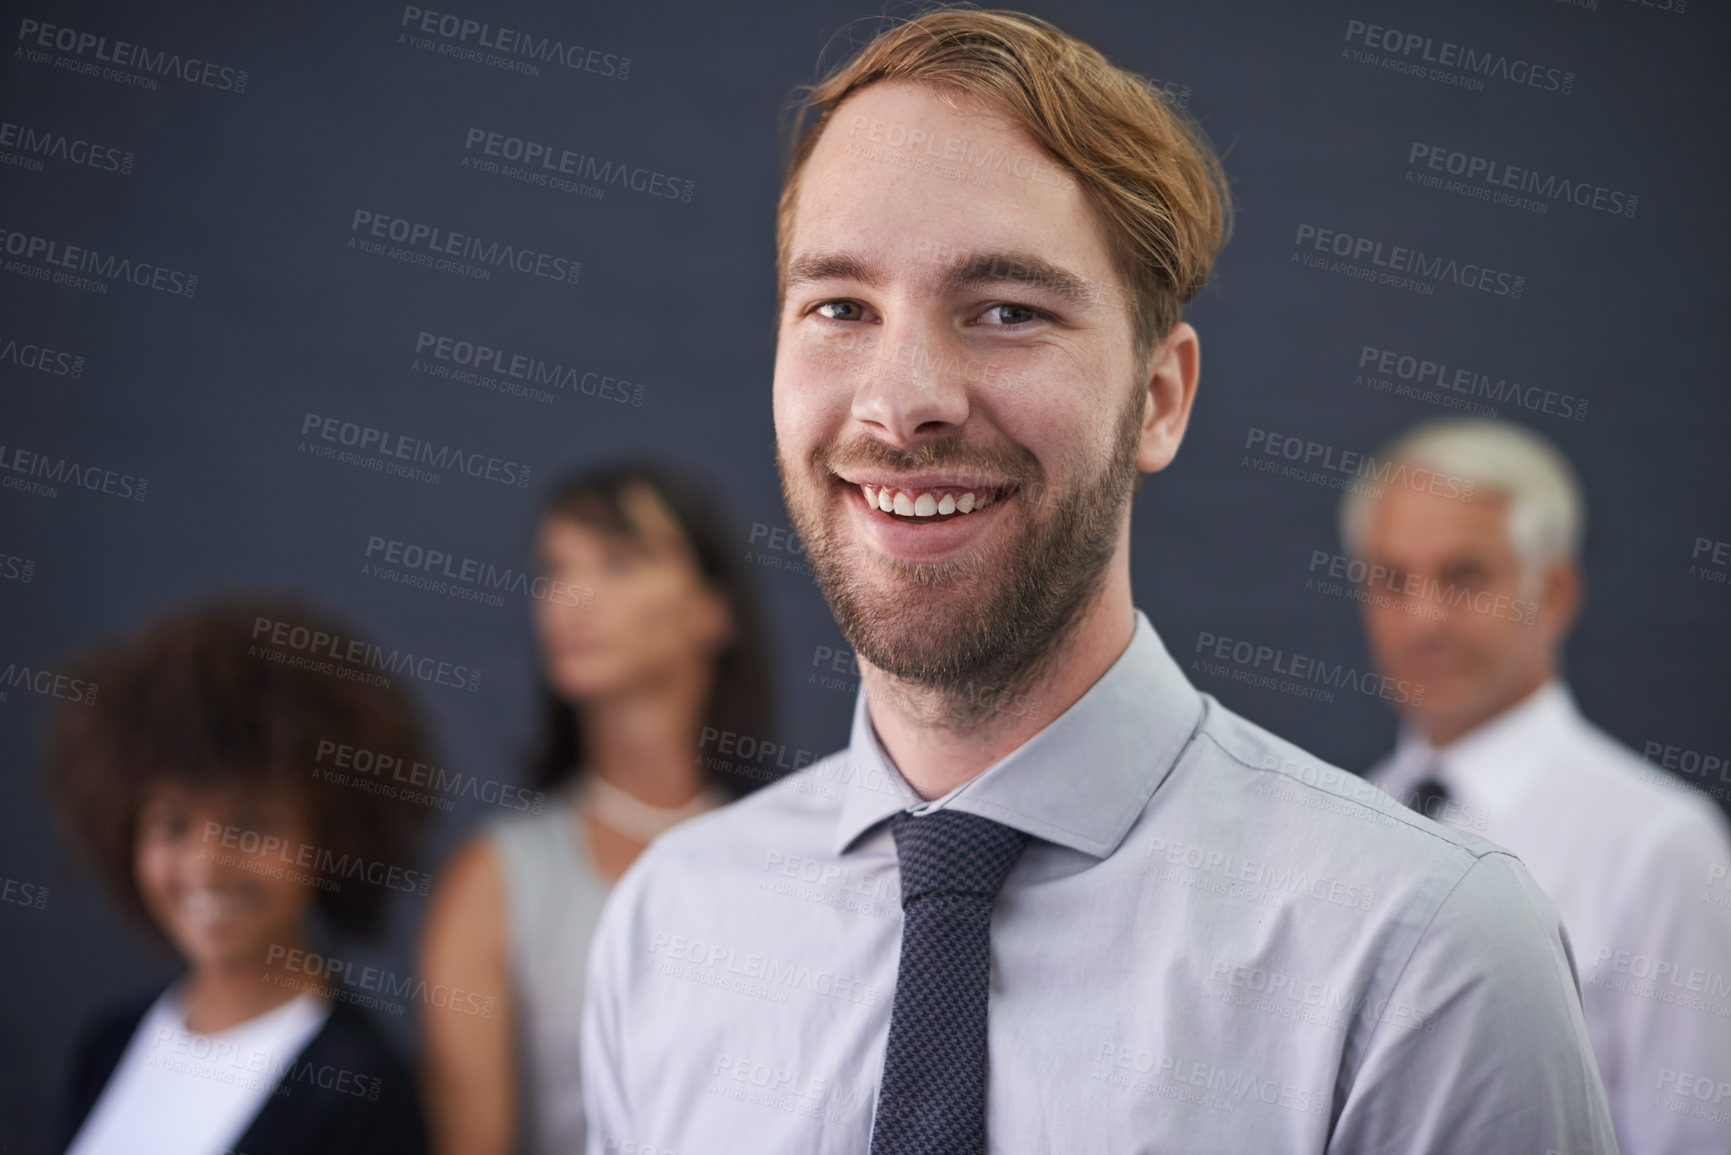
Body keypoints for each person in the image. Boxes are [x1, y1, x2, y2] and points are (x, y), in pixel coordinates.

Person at [579, 9, 1617, 1153]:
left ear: (1161, 398)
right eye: (839, 308)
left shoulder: (1423, 955)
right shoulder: (669, 932)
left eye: (1007, 311)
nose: (901, 398)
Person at [1343, 417, 1731, 1153]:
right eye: (1391, 579)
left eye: (1463, 577)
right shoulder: (1350, 815)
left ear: (1550, 592)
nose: (1421, 619)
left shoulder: (1658, 845)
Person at [418, 462, 775, 1155]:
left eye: (618, 562)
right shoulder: (494, 877)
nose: (569, 598)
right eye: (553, 569)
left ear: (714, 608)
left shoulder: (798, 859)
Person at [44, 598, 433, 1155]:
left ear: (333, 837)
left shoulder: (359, 1092)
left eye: (250, 827)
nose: (206, 866)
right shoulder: (109, 1045)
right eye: (173, 825)